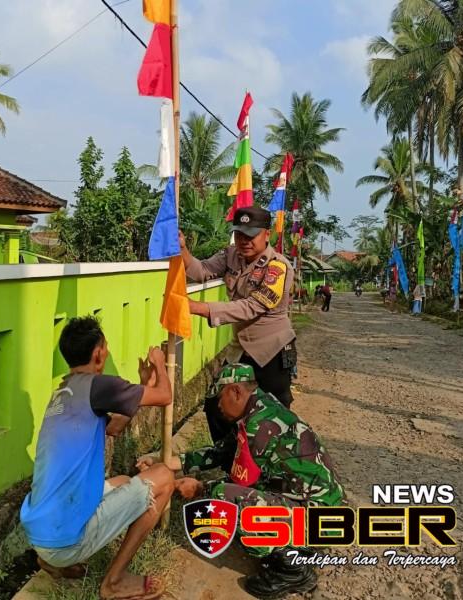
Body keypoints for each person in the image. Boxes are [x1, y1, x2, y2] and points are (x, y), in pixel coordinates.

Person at [138, 364, 344, 599]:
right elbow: (221, 453)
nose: (218, 406)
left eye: (220, 398)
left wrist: (199, 488)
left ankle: (293, 568)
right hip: (317, 512)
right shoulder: (261, 408)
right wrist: (163, 462)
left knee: (221, 497)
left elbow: (241, 486)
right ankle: (293, 547)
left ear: (235, 392)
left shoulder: (260, 425)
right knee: (231, 496)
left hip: (318, 519)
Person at [20, 316, 183, 600]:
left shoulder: (64, 391)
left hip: (41, 536)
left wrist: (141, 384)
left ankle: (50, 561)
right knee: (164, 477)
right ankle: (113, 583)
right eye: (105, 347)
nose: (106, 352)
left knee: (122, 481)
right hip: (64, 541)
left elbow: (114, 428)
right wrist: (158, 360)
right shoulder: (97, 385)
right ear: (98, 354)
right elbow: (165, 395)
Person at [179, 205, 296, 445]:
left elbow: (252, 306)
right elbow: (202, 271)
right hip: (241, 348)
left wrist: (199, 308)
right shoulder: (230, 255)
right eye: (239, 234)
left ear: (267, 234)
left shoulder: (278, 267)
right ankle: (228, 458)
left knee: (275, 413)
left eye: (251, 235)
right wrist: (183, 251)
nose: (244, 241)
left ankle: (277, 467)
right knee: (217, 403)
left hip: (271, 350)